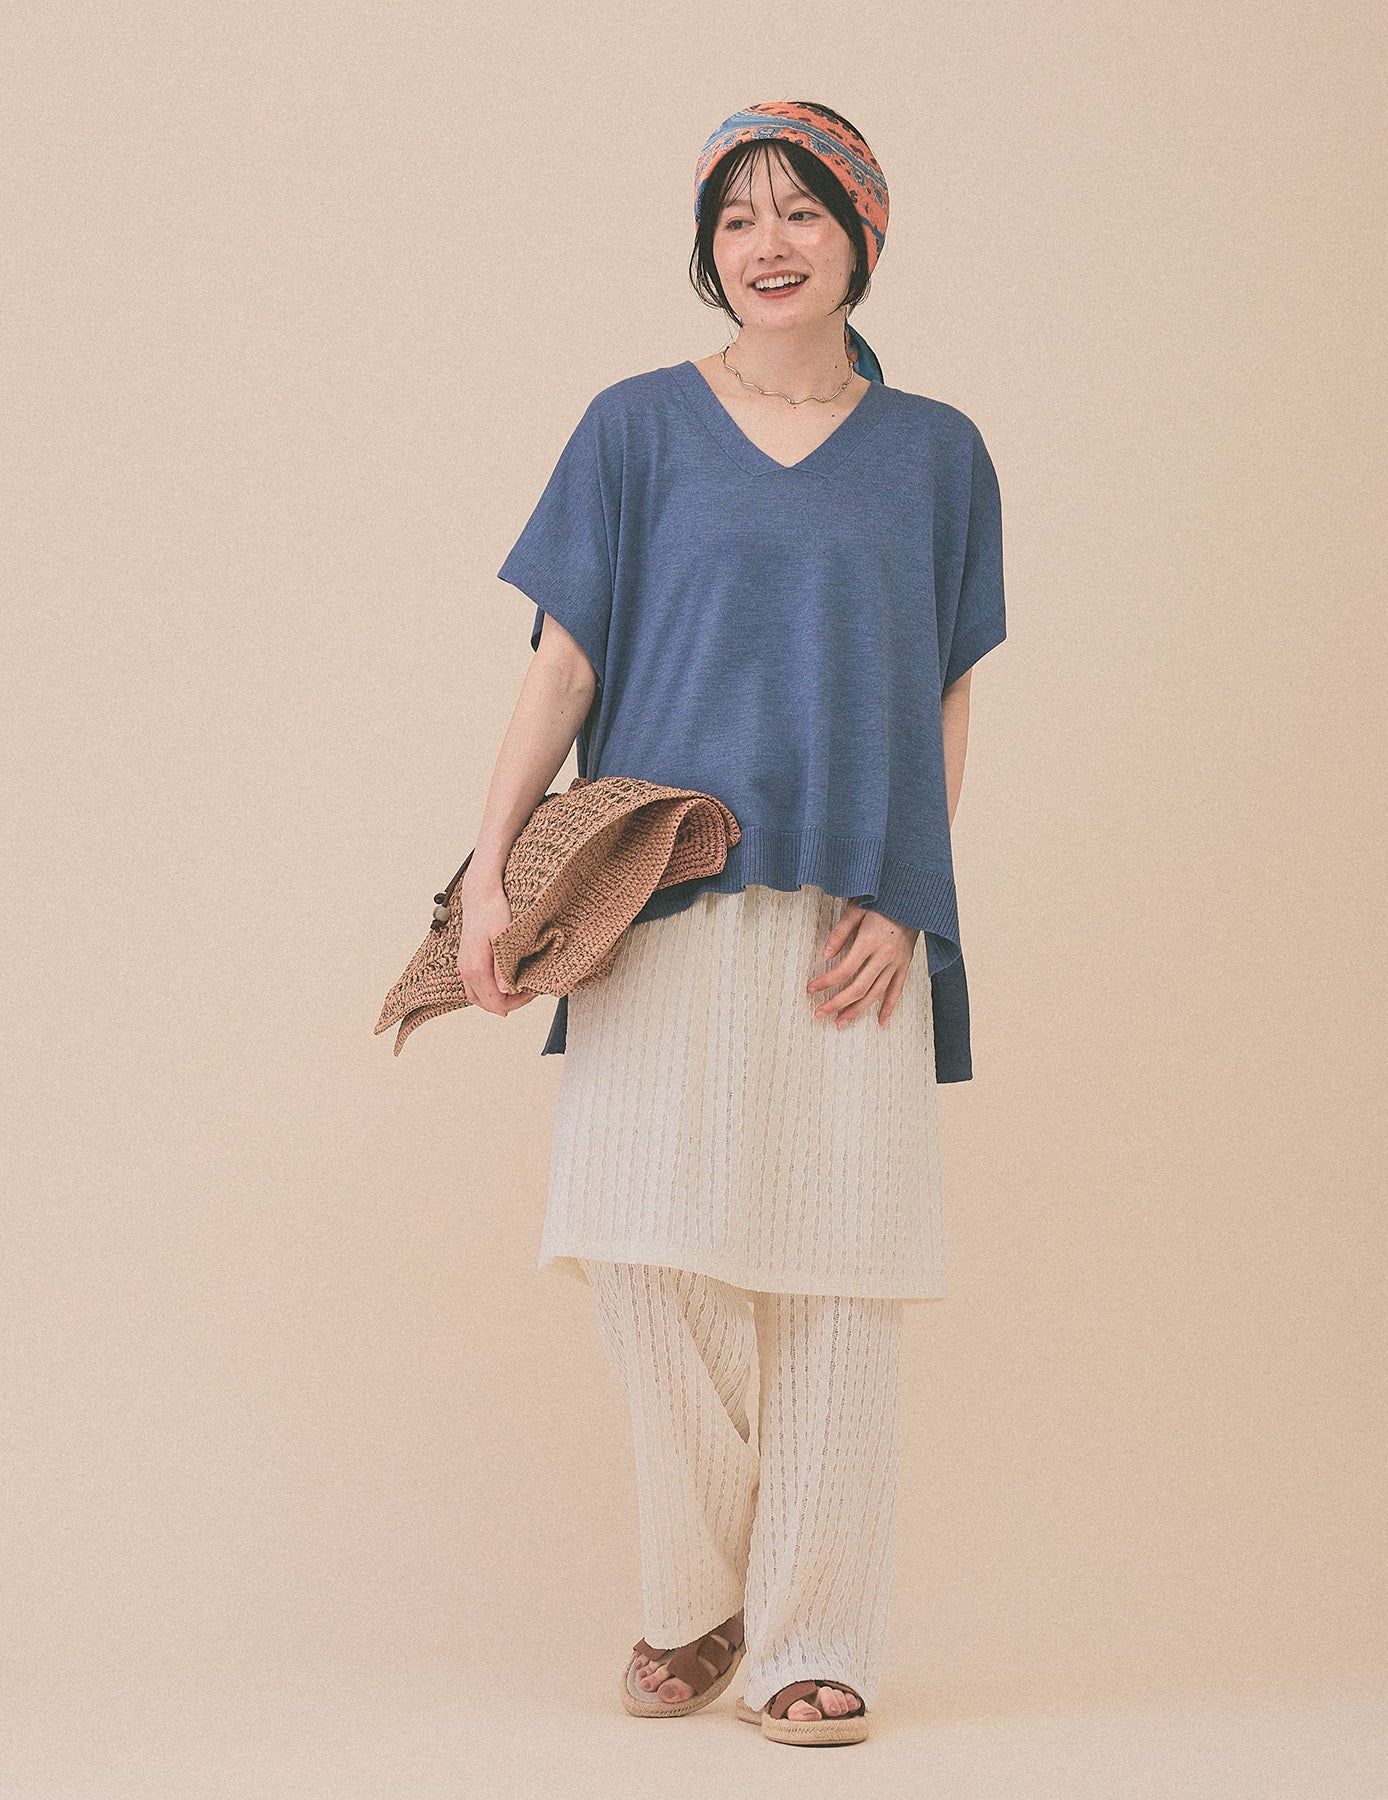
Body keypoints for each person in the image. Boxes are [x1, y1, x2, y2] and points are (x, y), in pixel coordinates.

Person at [458, 101, 1006, 1746]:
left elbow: (946, 695)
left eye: (804, 211)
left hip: (853, 910)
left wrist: (912, 895)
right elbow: (561, 667)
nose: (770, 243)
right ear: (710, 248)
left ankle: (811, 1637)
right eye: (739, 216)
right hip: (654, 902)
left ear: (862, 236)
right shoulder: (633, 428)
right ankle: (699, 1589)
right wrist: (488, 870)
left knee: (842, 1276)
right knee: (636, 1248)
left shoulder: (938, 454)